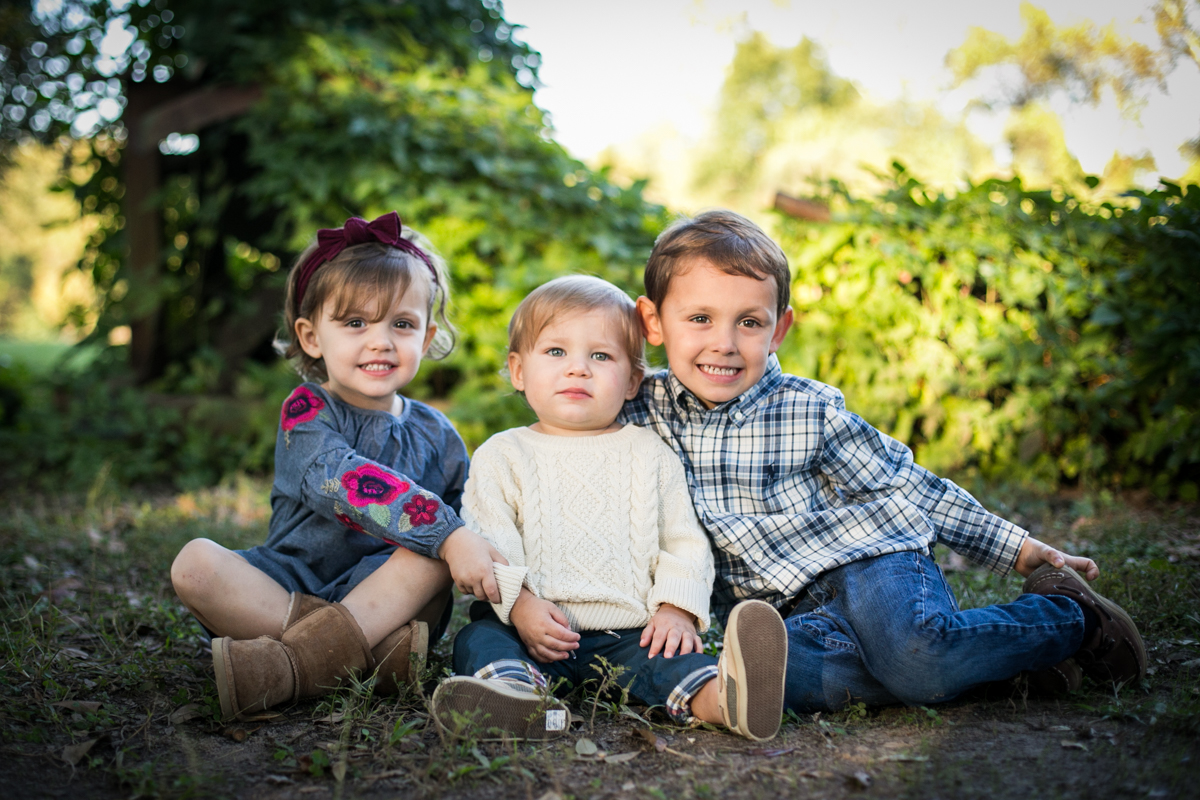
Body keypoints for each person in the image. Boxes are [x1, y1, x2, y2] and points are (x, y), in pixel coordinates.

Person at [620, 209, 1147, 713]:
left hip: (867, 563)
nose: (725, 343)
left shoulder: (807, 410)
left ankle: (1071, 618)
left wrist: (1016, 549)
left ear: (778, 330)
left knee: (914, 657)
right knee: (767, 676)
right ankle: (1003, 668)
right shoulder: (639, 410)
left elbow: (908, 487)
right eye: (700, 318)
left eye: (749, 323)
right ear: (653, 321)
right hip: (786, 612)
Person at [170, 212, 505, 720]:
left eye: (402, 323)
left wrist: (462, 540)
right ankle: (371, 660)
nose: (380, 341)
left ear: (427, 334)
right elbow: (343, 481)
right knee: (194, 564)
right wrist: (445, 532)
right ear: (310, 336)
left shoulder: (439, 434)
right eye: (355, 323)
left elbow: (476, 516)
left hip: (389, 596)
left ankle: (285, 668)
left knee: (436, 552)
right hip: (288, 582)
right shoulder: (306, 412)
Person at [431, 275, 788, 741]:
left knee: (671, 662)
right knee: (478, 641)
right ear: (519, 371)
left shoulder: (650, 452)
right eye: (556, 352)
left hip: (631, 633)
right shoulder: (503, 453)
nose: (578, 369)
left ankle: (726, 700)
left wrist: (676, 609)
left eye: (600, 356)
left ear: (632, 380)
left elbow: (683, 538)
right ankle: (517, 697)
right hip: (528, 625)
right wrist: (520, 606)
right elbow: (489, 537)